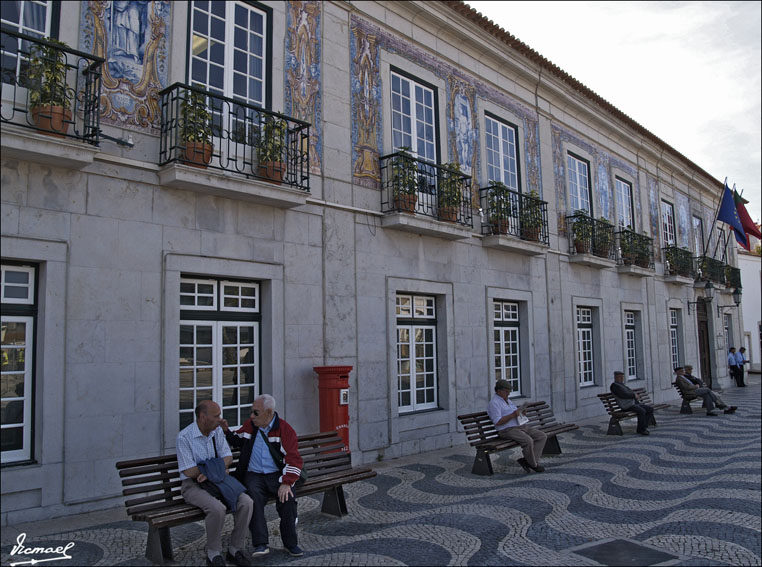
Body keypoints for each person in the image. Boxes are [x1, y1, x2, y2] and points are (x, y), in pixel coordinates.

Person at [224, 394, 304, 558]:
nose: (252, 416)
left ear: (269, 412)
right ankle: (260, 544)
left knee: (287, 500)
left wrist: (287, 482)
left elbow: (293, 459)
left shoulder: (284, 429)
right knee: (253, 499)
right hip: (254, 475)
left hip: (277, 475)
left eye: (256, 412)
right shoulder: (250, 426)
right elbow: (237, 440)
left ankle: (291, 544)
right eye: (251, 412)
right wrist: (225, 430)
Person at [177, 400, 253, 567]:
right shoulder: (184, 437)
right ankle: (213, 554)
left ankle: (235, 549)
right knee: (217, 509)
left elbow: (228, 458)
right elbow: (189, 471)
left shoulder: (216, 431)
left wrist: (211, 472)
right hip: (193, 485)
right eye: (216, 415)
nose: (220, 419)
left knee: (247, 502)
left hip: (218, 481)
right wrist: (217, 470)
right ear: (203, 417)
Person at [486, 380, 547, 473]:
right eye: (506, 391)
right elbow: (497, 421)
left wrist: (522, 413)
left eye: (509, 391)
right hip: (507, 430)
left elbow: (515, 413)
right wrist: (512, 415)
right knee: (528, 441)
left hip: (520, 426)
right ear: (499, 391)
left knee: (541, 436)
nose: (508, 393)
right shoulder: (494, 403)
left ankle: (528, 461)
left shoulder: (508, 400)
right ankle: (533, 464)